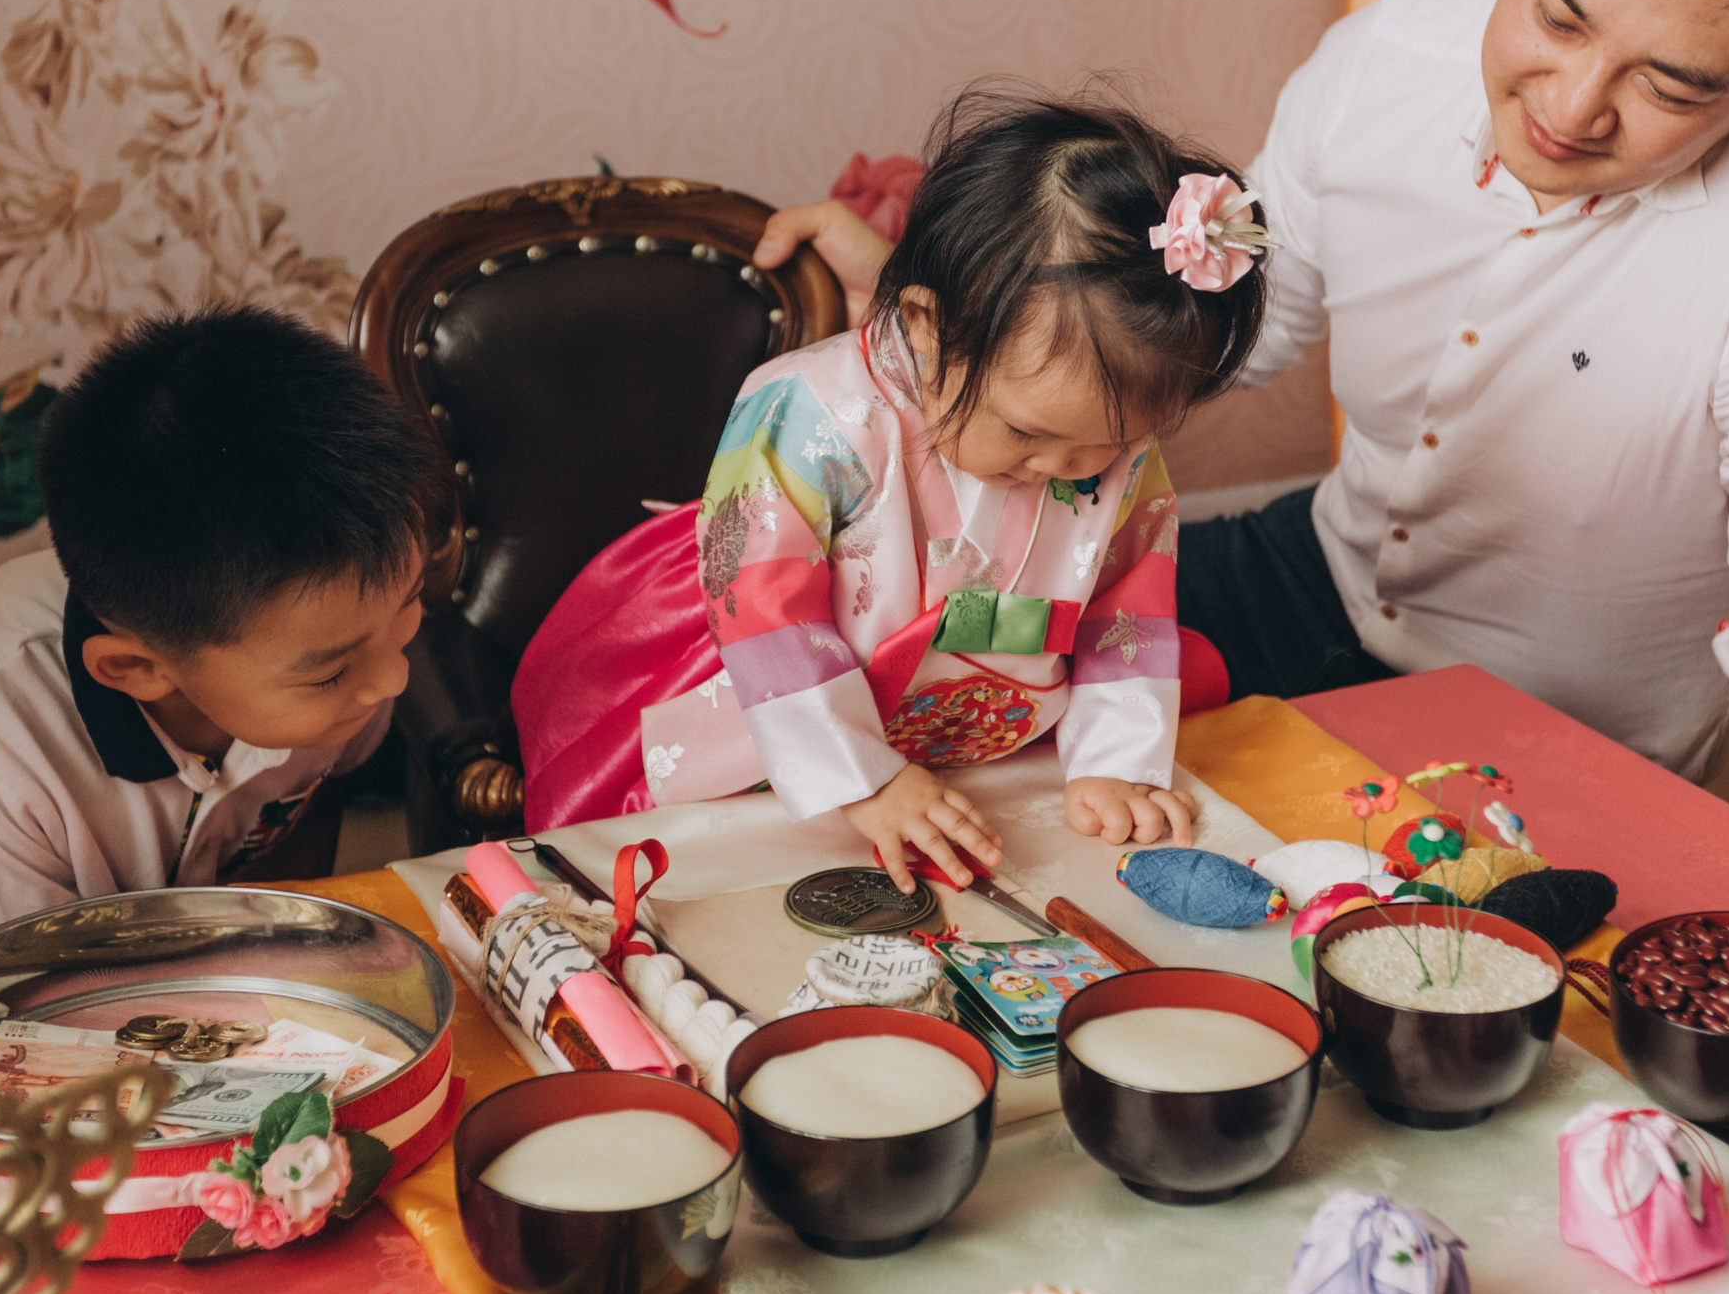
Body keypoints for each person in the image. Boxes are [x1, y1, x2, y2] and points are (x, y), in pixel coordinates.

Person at [754, 0, 1729, 863]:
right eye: (1556, 13)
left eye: (1670, 84)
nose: (1568, 106)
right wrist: (983, 309)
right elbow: (1223, 330)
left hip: (1540, 725)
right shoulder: (1393, 52)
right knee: (841, 712)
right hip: (1316, 575)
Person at [517, 91, 1257, 889]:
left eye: (1107, 443)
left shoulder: (1109, 448)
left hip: (987, 726)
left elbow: (1128, 604)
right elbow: (767, 608)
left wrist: (1114, 762)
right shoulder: (809, 409)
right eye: (1025, 433)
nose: (1066, 468)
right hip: (778, 690)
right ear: (928, 323)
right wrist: (863, 776)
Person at [0, 304, 438, 999]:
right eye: (332, 671)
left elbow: (307, 807)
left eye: (411, 600)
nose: (393, 677)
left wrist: (281, 943)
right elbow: (26, 1003)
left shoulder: (330, 654)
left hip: (183, 954)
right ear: (136, 669)